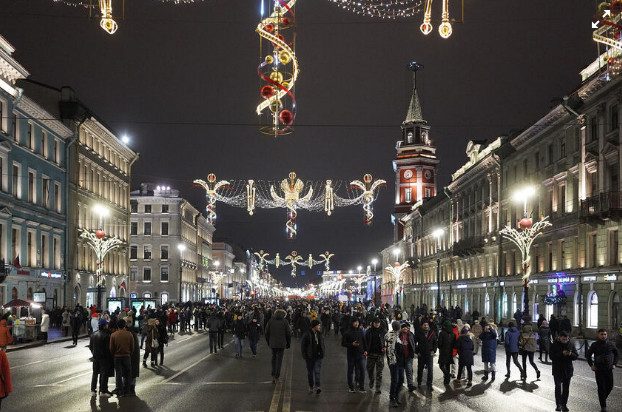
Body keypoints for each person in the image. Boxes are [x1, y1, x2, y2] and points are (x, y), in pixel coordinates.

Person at [587, 328, 619, 412]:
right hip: (599, 370)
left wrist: (614, 364)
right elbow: (588, 355)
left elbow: (617, 354)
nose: (603, 336)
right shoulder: (595, 345)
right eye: (601, 334)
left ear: (607, 335)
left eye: (605, 334)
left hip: (608, 369)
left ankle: (602, 399)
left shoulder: (611, 344)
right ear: (598, 335)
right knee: (601, 388)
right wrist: (591, 365)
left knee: (610, 386)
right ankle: (603, 407)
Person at [550, 331, 577, 412]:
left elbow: (576, 356)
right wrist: (561, 353)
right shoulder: (554, 344)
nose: (565, 340)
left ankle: (564, 405)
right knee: (558, 387)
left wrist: (570, 354)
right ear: (560, 337)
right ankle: (558, 405)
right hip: (557, 370)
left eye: (566, 339)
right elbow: (551, 356)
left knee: (566, 389)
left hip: (567, 370)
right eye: (563, 339)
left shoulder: (571, 344)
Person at [265, 308, 292, 383]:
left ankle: (273, 375)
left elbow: (266, 332)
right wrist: (288, 343)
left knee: (273, 359)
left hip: (272, 343)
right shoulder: (285, 322)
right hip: (281, 344)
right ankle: (277, 376)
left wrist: (268, 341)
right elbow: (288, 333)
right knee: (279, 360)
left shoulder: (270, 321)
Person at [109, 319, 134, 397]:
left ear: (117, 326)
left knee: (119, 374)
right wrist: (129, 353)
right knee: (128, 374)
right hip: (127, 356)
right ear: (124, 325)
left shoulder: (113, 335)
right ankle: (127, 390)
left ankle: (120, 391)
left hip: (117, 357)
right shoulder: (129, 334)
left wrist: (114, 354)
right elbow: (132, 347)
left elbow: (111, 348)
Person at [89, 319, 113, 397]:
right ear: (104, 326)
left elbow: (90, 346)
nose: (107, 326)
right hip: (104, 358)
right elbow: (108, 349)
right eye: (106, 325)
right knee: (104, 374)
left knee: (95, 373)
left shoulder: (93, 334)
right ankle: (103, 391)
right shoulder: (106, 336)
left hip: (95, 357)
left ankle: (93, 390)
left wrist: (94, 353)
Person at [342, 318, 366, 393]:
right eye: (355, 322)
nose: (356, 324)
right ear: (352, 323)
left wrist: (365, 350)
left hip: (360, 354)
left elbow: (364, 342)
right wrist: (351, 344)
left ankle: (361, 387)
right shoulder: (347, 332)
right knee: (350, 371)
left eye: (357, 322)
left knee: (362, 371)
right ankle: (351, 387)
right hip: (351, 355)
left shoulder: (361, 331)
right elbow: (343, 343)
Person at [301, 319, 324, 394]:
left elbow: (322, 344)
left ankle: (318, 387)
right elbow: (303, 346)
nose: (319, 326)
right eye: (318, 325)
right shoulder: (307, 334)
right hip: (310, 357)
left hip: (318, 356)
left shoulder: (319, 333)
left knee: (317, 372)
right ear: (314, 326)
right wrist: (305, 355)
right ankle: (311, 386)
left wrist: (323, 352)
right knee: (310, 372)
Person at [364, 317, 386, 394]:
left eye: (378, 323)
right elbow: (365, 342)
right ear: (373, 323)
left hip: (380, 354)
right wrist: (365, 350)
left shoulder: (383, 331)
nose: (377, 324)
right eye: (375, 323)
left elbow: (387, 341)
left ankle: (378, 388)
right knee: (370, 370)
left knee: (379, 372)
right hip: (371, 354)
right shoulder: (368, 332)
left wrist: (385, 347)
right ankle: (371, 380)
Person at [385, 320, 404, 407]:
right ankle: (392, 397)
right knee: (395, 380)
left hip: (399, 361)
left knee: (400, 379)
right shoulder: (391, 336)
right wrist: (392, 362)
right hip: (394, 362)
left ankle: (396, 395)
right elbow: (389, 351)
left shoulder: (398, 335)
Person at [415, 321, 437, 390]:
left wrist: (434, 351)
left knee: (430, 370)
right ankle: (419, 382)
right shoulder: (418, 333)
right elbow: (414, 343)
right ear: (422, 326)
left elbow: (435, 343)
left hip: (429, 354)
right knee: (420, 369)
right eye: (424, 325)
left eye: (427, 325)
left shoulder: (432, 333)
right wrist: (417, 351)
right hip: (421, 354)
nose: (426, 326)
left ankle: (429, 384)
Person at [398, 321, 416, 392]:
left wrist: (413, 352)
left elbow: (413, 343)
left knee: (409, 371)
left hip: (408, 356)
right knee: (401, 372)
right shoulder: (398, 335)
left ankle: (410, 385)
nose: (405, 328)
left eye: (406, 327)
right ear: (401, 329)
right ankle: (400, 383)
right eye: (404, 327)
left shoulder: (410, 334)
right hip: (401, 356)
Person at [437, 320, 455, 385]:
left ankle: (447, 375)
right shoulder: (453, 334)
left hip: (443, 352)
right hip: (450, 352)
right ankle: (447, 381)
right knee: (447, 366)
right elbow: (454, 344)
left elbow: (439, 344)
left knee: (441, 365)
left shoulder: (442, 333)